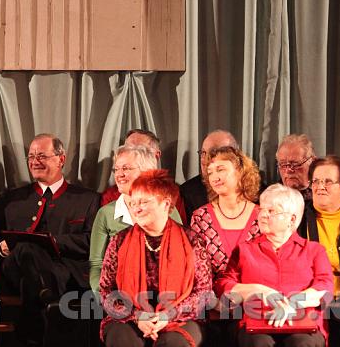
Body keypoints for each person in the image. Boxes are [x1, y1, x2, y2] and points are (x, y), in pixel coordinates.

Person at [0, 133, 99, 342]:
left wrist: (54, 241)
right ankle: (50, 300)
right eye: (30, 157)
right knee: (25, 249)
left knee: (31, 272)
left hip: (67, 274)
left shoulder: (87, 199)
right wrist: (2, 248)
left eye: (41, 156)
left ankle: (32, 334)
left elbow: (90, 242)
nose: (34, 162)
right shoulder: (11, 199)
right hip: (14, 270)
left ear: (61, 159)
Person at [99, 170, 211, 346]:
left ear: (166, 204)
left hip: (180, 316)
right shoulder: (119, 240)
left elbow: (203, 292)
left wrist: (169, 315)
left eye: (144, 202)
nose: (137, 208)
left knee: (173, 343)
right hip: (130, 317)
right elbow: (106, 291)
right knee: (123, 340)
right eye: (133, 202)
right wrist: (137, 316)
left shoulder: (192, 240)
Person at [215, 184, 333, 347]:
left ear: (292, 219)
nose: (262, 215)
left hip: (302, 324)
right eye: (261, 209)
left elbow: (325, 288)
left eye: (271, 211)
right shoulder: (244, 250)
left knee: (302, 343)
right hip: (256, 323)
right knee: (258, 343)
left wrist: (290, 304)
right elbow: (224, 285)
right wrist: (258, 290)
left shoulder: (314, 250)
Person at [298, 156, 340, 344]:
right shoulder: (298, 219)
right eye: (316, 181)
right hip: (311, 302)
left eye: (328, 181)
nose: (320, 186)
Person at [89, 144, 158, 295]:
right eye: (116, 169)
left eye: (126, 169)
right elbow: (96, 264)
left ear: (147, 172)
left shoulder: (165, 210)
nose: (119, 174)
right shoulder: (106, 213)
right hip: (118, 295)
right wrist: (103, 293)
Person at [190, 146, 261, 281]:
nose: (214, 178)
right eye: (210, 173)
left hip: (255, 296)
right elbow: (197, 270)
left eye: (220, 170)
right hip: (213, 299)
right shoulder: (200, 217)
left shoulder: (262, 216)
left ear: (240, 171)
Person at [180, 130, 239, 222]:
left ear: (233, 156)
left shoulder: (255, 190)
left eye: (213, 153)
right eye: (203, 152)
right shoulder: (187, 192)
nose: (204, 159)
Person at [99, 129, 161, 206]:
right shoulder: (110, 197)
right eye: (117, 169)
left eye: (140, 150)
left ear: (156, 156)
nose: (131, 153)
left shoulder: (170, 194)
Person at [276, 134, 316, 201]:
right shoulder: (271, 197)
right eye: (283, 164)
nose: (288, 170)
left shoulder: (321, 194)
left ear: (312, 162)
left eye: (295, 164)